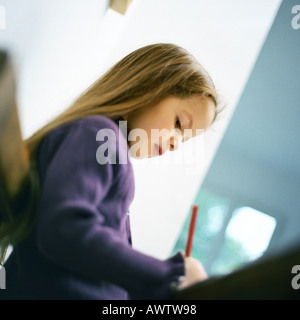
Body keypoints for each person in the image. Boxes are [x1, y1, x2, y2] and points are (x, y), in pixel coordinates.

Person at [1, 43, 219, 300]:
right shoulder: (99, 136)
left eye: (185, 139)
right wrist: (171, 274)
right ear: (148, 87)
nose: (175, 143)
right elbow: (65, 229)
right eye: (179, 124)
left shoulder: (107, 146)